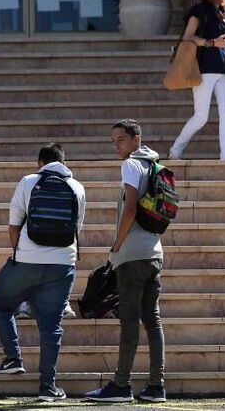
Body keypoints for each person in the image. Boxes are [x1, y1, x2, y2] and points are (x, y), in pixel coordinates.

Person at [0, 143, 86, 403]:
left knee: (0, 305)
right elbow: (75, 229)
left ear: (39, 162)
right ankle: (48, 386)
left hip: (27, 260)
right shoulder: (77, 187)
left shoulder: (29, 181)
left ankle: (13, 357)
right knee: (51, 326)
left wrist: (20, 253)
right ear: (64, 162)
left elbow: (13, 226)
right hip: (62, 263)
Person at [85, 119, 166, 403]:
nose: (116, 146)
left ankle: (121, 385)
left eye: (120, 140)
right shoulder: (154, 165)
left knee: (130, 321)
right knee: (152, 321)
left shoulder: (131, 164)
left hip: (131, 255)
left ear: (136, 139)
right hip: (154, 252)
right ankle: (156, 386)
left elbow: (130, 209)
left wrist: (116, 246)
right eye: (113, 141)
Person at [168, 0, 225, 160]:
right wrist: (212, 42)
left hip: (224, 69)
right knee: (201, 117)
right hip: (204, 70)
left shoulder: (224, 13)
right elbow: (188, 37)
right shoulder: (199, 10)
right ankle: (175, 151)